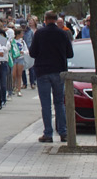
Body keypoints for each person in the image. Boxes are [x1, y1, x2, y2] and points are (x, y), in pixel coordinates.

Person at [29, 10, 74, 143]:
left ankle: (48, 133)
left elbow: (32, 53)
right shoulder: (63, 33)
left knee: (46, 104)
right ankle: (63, 132)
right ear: (56, 19)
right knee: (59, 103)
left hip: (43, 71)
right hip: (59, 71)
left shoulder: (39, 33)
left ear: (46, 19)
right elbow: (70, 54)